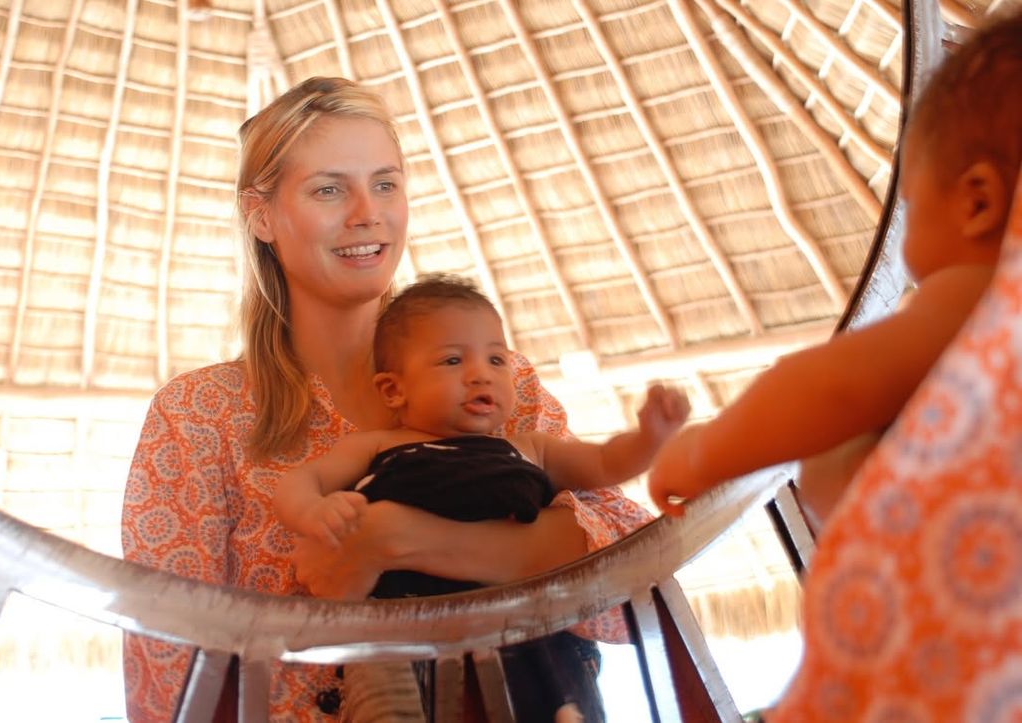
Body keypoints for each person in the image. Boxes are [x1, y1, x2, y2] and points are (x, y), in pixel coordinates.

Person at [120, 76, 656, 722]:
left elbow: (640, 582)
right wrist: (526, 549)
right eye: (328, 189)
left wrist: (395, 538)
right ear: (261, 215)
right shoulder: (197, 417)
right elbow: (168, 680)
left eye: (385, 183)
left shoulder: (494, 379)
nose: (366, 213)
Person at [647, 9, 1022, 527]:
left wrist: (699, 453)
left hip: (979, 585)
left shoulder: (989, 293)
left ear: (976, 204)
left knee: (837, 458)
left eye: (912, 206)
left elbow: (831, 389)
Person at [274, 274, 688, 721]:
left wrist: (650, 439)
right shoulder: (377, 445)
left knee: (555, 689)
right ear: (395, 389)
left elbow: (607, 463)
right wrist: (314, 511)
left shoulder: (531, 447)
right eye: (452, 361)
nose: (479, 375)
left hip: (522, 628)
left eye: (496, 360)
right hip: (397, 633)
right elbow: (301, 480)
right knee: (385, 700)